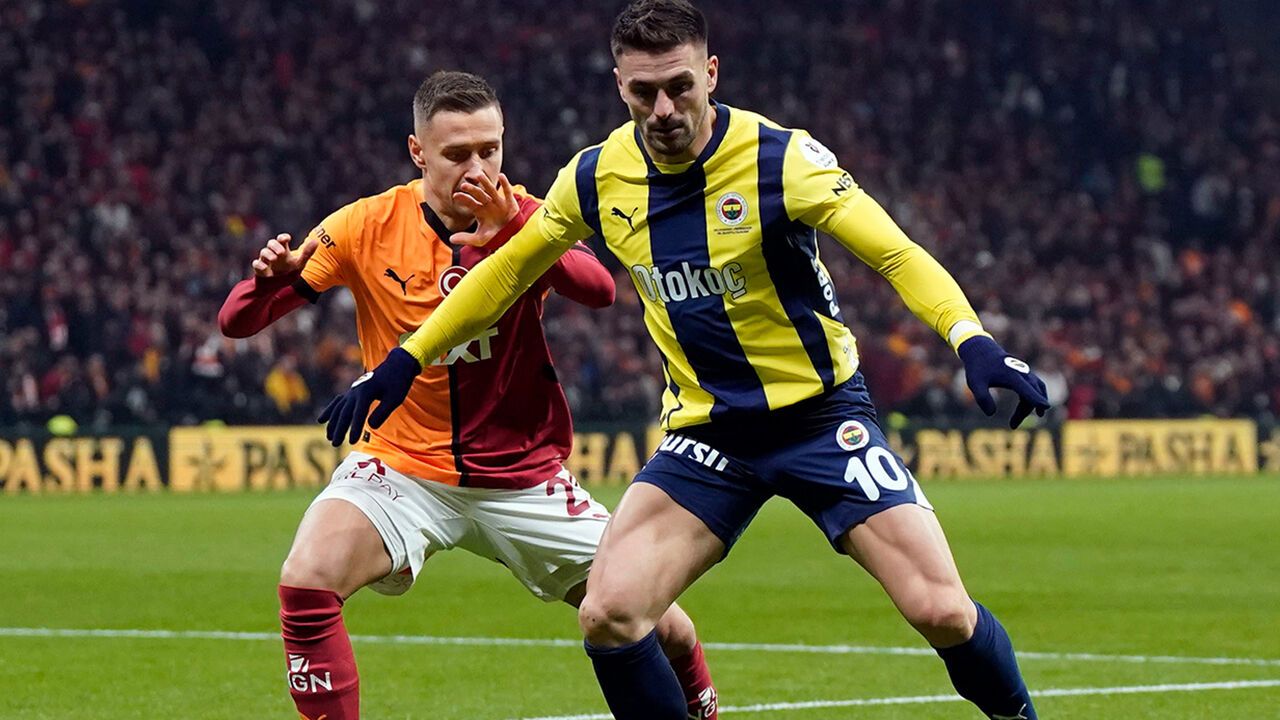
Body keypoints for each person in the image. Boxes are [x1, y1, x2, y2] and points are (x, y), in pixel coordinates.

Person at [321, 3, 1054, 717]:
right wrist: (407, 359)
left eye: (679, 86)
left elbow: (894, 253)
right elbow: (509, 270)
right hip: (709, 435)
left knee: (941, 610)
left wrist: (971, 339)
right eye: (644, 92)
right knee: (609, 613)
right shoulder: (598, 174)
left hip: (821, 420)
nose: (664, 109)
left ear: (711, 74)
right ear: (619, 86)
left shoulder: (782, 159)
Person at [219, 70, 718, 720]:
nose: (478, 168)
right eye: (457, 153)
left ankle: (701, 701)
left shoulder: (530, 213)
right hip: (402, 465)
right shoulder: (365, 225)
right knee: (307, 578)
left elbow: (599, 289)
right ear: (418, 152)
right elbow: (237, 321)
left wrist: (516, 224)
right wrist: (267, 283)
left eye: (490, 149)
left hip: (521, 477)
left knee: (654, 621)